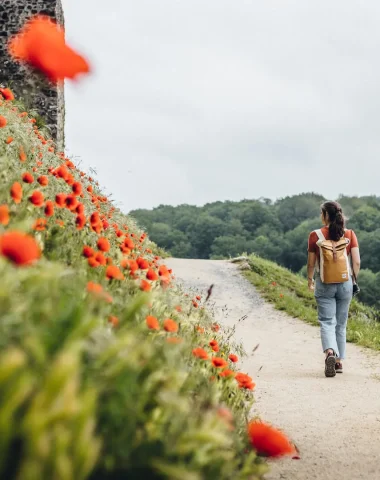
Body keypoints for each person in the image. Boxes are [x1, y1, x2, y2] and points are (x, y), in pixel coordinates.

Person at [307, 201, 360, 377]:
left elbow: (311, 262)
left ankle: (330, 352)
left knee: (327, 321)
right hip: (345, 283)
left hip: (324, 283)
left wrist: (309, 279)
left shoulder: (315, 235)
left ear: (324, 215)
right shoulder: (349, 234)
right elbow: (357, 261)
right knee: (341, 323)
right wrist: (353, 279)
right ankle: (338, 362)